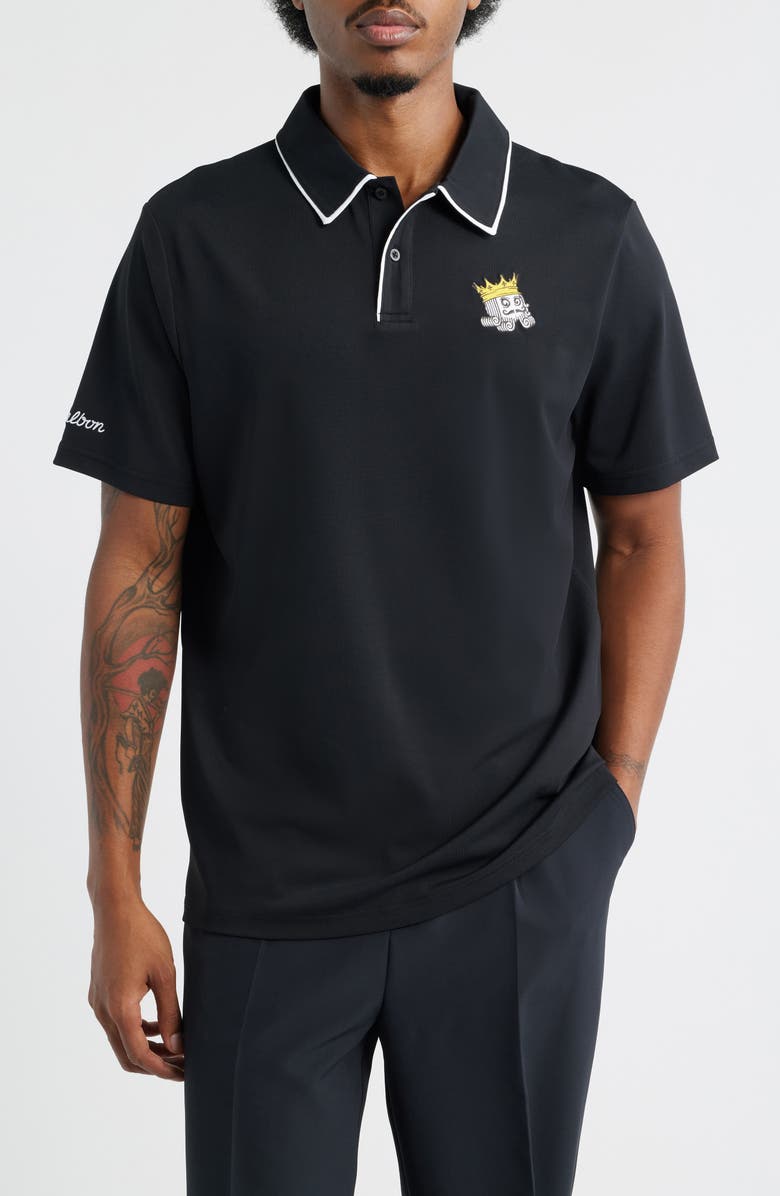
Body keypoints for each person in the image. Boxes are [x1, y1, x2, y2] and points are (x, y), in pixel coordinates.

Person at [53, 2, 720, 1193]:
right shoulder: (193, 239)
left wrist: (611, 802)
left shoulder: (591, 234)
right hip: (266, 894)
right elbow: (140, 562)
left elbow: (642, 536)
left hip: (518, 879)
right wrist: (116, 884)